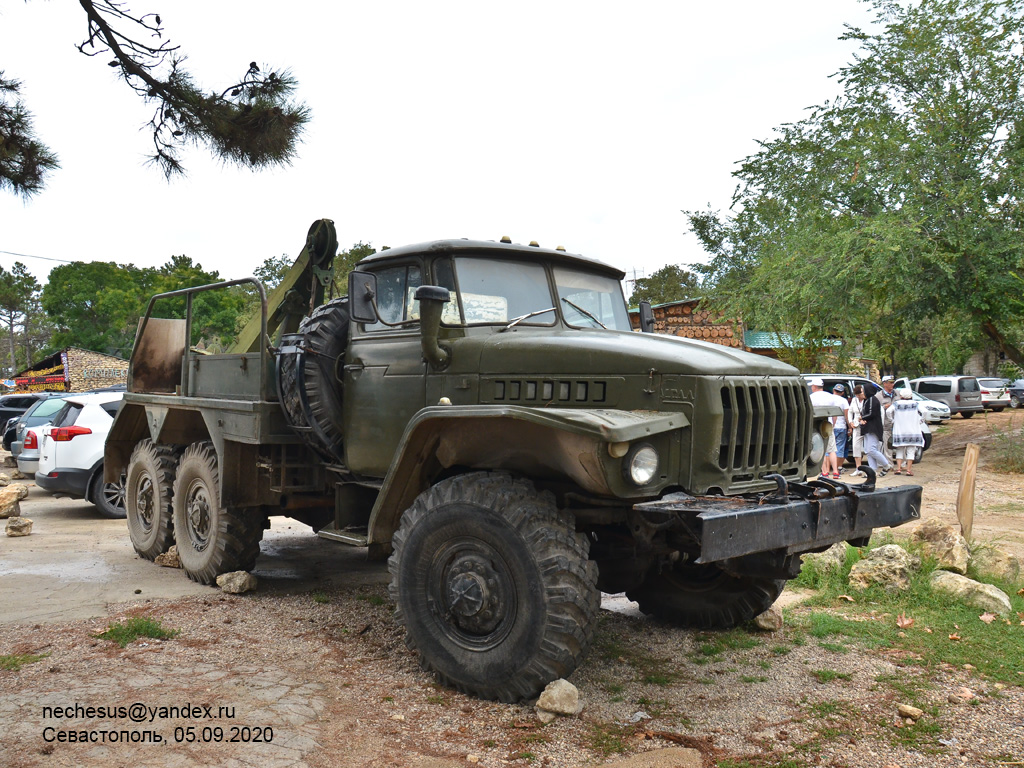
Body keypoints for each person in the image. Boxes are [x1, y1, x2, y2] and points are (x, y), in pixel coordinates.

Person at [808, 378, 841, 480]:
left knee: (819, 448)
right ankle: (835, 472)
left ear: (814, 386)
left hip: (816, 427)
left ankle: (824, 472)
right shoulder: (830, 397)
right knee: (832, 449)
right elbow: (835, 413)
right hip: (828, 425)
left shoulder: (811, 397)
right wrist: (833, 424)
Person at [891, 388, 925, 475]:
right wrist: (921, 420)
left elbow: (888, 411)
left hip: (900, 430)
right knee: (911, 450)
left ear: (901, 396)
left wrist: (892, 420)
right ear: (910, 395)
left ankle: (898, 468)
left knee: (899, 449)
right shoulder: (915, 404)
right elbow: (924, 411)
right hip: (913, 430)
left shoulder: (896, 404)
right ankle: (908, 470)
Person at [860, 384, 892, 476]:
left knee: (871, 450)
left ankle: (886, 465)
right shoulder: (867, 400)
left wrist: (862, 418)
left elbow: (871, 413)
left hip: (872, 428)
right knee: (867, 450)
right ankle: (872, 470)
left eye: (863, 391)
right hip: (867, 428)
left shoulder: (872, 400)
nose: (861, 393)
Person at [847, 385, 866, 477]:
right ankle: (858, 468)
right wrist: (850, 422)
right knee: (855, 446)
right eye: (857, 394)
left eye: (860, 394)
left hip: (866, 425)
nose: (859, 396)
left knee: (869, 447)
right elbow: (850, 411)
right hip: (856, 425)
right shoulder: (854, 400)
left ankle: (871, 468)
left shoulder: (868, 400)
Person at [831, 383, 850, 475]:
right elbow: (847, 415)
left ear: (833, 391)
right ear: (842, 393)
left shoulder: (829, 399)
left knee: (829, 448)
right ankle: (837, 468)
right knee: (840, 448)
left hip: (830, 426)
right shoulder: (844, 401)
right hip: (841, 427)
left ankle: (827, 469)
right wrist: (849, 427)